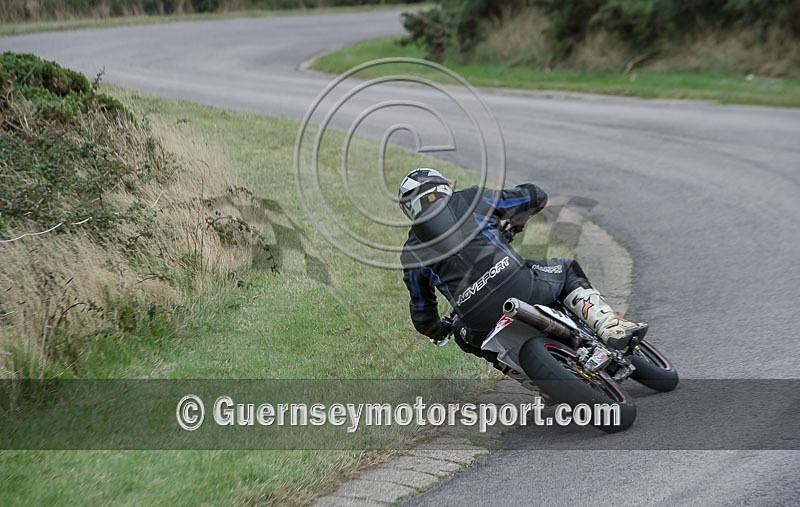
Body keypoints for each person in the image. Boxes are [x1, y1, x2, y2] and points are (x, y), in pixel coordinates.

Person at [398, 168, 647, 367]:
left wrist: (441, 329)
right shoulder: (472, 198)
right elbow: (534, 195)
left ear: (407, 208)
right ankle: (611, 327)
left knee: (465, 338)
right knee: (567, 268)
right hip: (524, 286)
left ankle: (532, 380)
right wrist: (519, 218)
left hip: (478, 319)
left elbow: (422, 314)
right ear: (445, 187)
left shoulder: (411, 253)